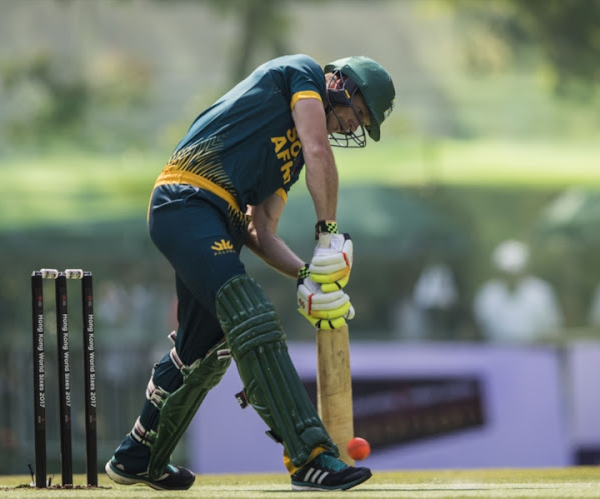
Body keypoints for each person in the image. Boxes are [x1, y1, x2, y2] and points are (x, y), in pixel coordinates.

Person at [104, 54, 395, 492]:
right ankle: (310, 456)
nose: (355, 127)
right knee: (250, 313)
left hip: (224, 223)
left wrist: (306, 279)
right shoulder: (301, 73)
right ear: (341, 83)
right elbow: (318, 147)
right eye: (361, 113)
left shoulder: (292, 159)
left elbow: (261, 231)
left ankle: (137, 456)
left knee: (204, 346)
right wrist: (328, 233)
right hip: (187, 201)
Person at [472, 239, 563, 344]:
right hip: (495, 355)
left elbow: (553, 330)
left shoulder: (541, 292)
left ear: (525, 269)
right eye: (506, 272)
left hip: (535, 354)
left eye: (515, 272)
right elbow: (479, 330)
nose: (511, 276)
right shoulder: (487, 294)